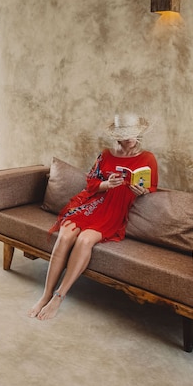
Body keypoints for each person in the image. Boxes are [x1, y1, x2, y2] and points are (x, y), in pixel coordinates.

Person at [28, 113, 158, 320]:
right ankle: (45, 295)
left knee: (85, 240)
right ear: (117, 137)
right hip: (92, 204)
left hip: (114, 212)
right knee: (65, 235)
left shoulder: (148, 158)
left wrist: (141, 191)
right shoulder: (105, 155)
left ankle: (58, 297)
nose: (131, 139)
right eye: (126, 135)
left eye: (134, 134)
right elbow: (91, 183)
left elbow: (151, 186)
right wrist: (108, 184)